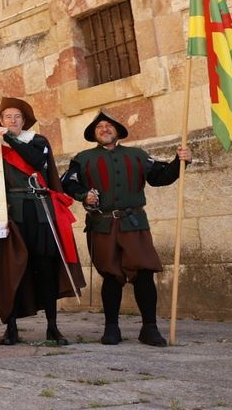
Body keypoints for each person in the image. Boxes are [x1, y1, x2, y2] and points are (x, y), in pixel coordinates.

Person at [61, 112, 191, 347]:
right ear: (94, 134)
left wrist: (180, 161)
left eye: (108, 125)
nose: (104, 128)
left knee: (144, 274)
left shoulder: (137, 155)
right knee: (111, 275)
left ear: (117, 131)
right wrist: (84, 195)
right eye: (99, 126)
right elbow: (67, 183)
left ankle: (149, 328)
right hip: (102, 225)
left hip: (134, 224)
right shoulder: (82, 158)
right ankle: (112, 329)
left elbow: (160, 177)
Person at [0, 97, 84, 346]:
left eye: (17, 117)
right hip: (11, 214)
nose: (12, 121)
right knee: (11, 269)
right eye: (7, 117)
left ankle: (52, 327)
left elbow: (36, 161)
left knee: (45, 268)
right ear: (0, 121)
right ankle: (11, 328)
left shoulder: (38, 142)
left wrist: (10, 139)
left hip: (39, 211)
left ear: (24, 121)